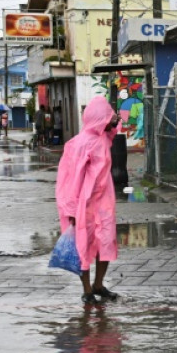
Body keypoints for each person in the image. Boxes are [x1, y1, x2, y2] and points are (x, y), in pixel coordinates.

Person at [55, 96, 122, 305]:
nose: (110, 119)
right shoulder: (79, 144)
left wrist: (115, 121)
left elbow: (113, 132)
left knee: (106, 242)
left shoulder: (102, 138)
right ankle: (87, 290)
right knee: (82, 246)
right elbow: (70, 179)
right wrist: (71, 209)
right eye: (107, 116)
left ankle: (98, 284)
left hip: (103, 202)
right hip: (84, 204)